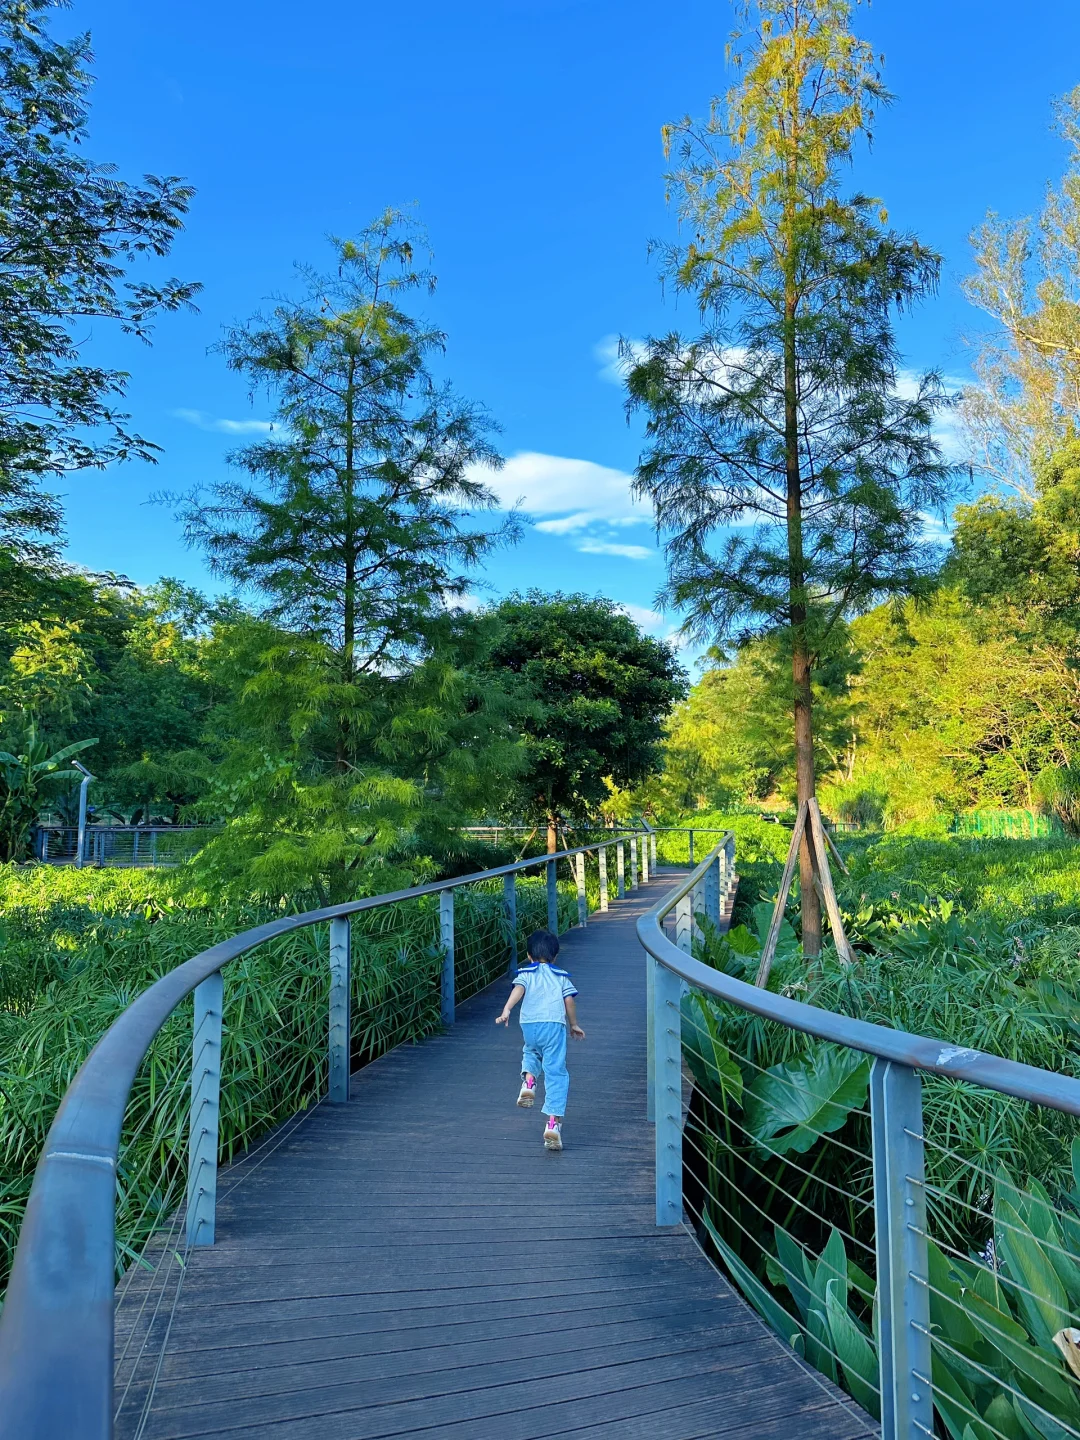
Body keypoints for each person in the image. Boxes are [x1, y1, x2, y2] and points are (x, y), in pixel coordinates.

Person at [495, 928, 584, 1151]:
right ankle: (553, 1124)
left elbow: (518, 990)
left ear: (529, 955)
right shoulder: (561, 977)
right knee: (556, 1072)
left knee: (531, 1050)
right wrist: (573, 1024)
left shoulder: (526, 973)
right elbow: (569, 1002)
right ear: (555, 956)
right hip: (554, 1026)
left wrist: (507, 1010)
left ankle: (529, 1080)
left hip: (529, 1025)